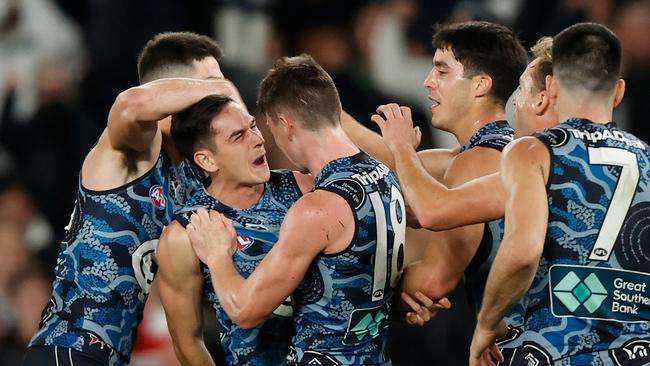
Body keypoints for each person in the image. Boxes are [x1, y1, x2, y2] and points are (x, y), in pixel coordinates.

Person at [23, 32, 242, 366]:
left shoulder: (185, 175)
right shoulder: (138, 146)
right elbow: (129, 105)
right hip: (68, 352)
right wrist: (223, 87)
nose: (218, 98)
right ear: (173, 90)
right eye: (207, 84)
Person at [186, 55, 405, 365]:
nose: (265, 142)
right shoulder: (384, 174)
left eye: (268, 130)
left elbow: (244, 311)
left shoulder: (317, 209)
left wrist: (218, 256)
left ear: (286, 124)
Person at [470, 23, 650, 366]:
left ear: (551, 85)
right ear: (619, 91)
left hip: (553, 352)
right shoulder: (648, 158)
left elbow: (522, 252)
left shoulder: (533, 151)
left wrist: (485, 325)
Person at [370, 21, 527, 318]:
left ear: (480, 84)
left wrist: (344, 295)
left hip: (518, 346)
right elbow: (389, 166)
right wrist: (331, 116)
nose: (428, 81)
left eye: (442, 71)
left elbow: (432, 281)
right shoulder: (489, 151)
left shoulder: (475, 162)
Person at [156, 95, 312, 365]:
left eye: (253, 126)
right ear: (207, 161)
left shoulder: (303, 189)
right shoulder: (185, 235)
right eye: (238, 137)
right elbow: (188, 342)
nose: (257, 139)